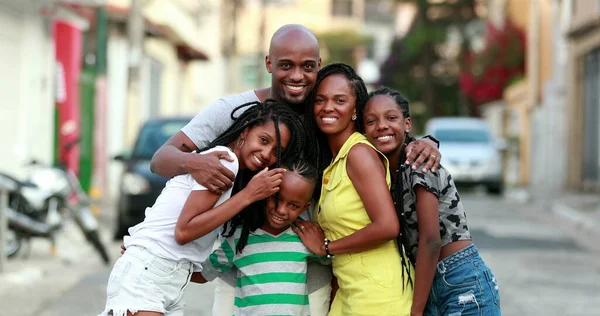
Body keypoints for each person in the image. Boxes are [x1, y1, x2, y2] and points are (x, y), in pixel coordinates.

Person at [149, 24, 441, 316]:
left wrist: (424, 143)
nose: (297, 76)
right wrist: (196, 162)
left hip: (313, 273)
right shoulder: (235, 110)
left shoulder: (324, 113)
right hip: (241, 271)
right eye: (286, 65)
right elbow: (162, 158)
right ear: (268, 64)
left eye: (307, 66)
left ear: (319, 66)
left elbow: (380, 131)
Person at [99, 100, 307, 316]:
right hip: (150, 273)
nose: (266, 153)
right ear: (245, 131)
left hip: (163, 275)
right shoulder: (225, 163)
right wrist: (249, 195)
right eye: (263, 140)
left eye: (276, 151)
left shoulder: (228, 168)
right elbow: (184, 232)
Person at [362, 87, 501, 316]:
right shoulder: (386, 173)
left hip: (462, 280)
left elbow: (431, 240)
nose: (382, 126)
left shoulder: (420, 162)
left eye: (391, 117)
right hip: (430, 281)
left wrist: (416, 311)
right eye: (371, 121)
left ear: (407, 124)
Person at [296, 63, 414, 315]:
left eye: (340, 100)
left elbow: (388, 226)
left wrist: (326, 247)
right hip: (351, 290)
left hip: (378, 294)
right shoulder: (334, 160)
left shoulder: (359, 153)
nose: (328, 107)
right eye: (320, 100)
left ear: (355, 109)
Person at [192, 159, 323, 316]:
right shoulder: (240, 238)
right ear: (267, 193)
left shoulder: (304, 237)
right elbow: (204, 273)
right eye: (277, 199)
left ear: (305, 207)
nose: (281, 210)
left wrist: (323, 248)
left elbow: (331, 261)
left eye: (293, 205)